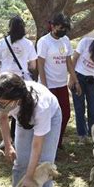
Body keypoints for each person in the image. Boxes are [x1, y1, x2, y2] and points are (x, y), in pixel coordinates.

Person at [0, 72, 61, 187]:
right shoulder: (1, 98)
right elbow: (3, 118)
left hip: (51, 116)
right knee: (20, 162)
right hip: (23, 118)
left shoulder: (41, 107)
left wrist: (29, 177)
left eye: (2, 104)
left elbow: (37, 145)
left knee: (44, 165)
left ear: (16, 100)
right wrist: (8, 145)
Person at [0, 15, 38, 148]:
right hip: (20, 82)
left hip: (4, 81)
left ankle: (6, 139)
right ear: (23, 28)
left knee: (1, 110)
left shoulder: (2, 42)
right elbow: (33, 66)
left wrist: (0, 65)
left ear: (9, 27)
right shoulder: (28, 44)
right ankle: (15, 137)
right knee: (19, 110)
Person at [37, 12, 80, 148]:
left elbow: (68, 62)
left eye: (65, 29)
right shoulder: (44, 41)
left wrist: (75, 80)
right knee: (49, 116)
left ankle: (57, 141)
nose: (63, 31)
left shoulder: (65, 40)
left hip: (61, 84)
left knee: (65, 114)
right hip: (48, 85)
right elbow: (40, 64)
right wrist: (44, 87)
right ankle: (47, 143)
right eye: (61, 28)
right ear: (53, 26)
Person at [71, 36, 94, 143]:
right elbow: (74, 58)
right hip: (78, 76)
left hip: (92, 80)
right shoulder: (85, 42)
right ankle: (82, 135)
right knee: (79, 108)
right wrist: (72, 79)